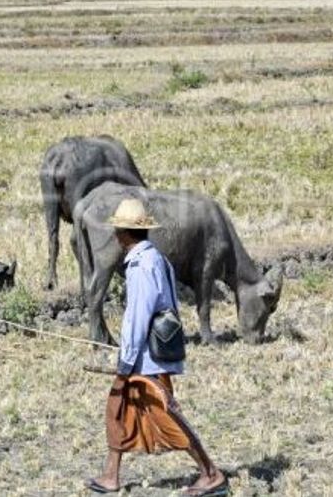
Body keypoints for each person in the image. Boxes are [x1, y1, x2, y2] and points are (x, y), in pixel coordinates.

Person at [85, 198, 227, 496]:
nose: (114, 235)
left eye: (117, 229)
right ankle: (111, 475)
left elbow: (139, 316)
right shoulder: (155, 258)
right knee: (118, 407)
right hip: (150, 354)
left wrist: (126, 362)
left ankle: (210, 473)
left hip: (146, 358)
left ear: (124, 233)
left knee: (166, 415)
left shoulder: (142, 265)